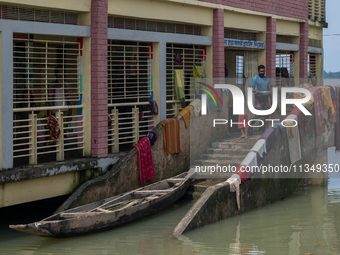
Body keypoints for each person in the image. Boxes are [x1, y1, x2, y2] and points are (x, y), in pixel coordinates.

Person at [250, 65, 271, 130]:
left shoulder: (267, 78)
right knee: (258, 115)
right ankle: (249, 126)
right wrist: (255, 90)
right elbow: (251, 88)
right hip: (258, 98)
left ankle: (266, 130)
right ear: (258, 71)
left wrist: (271, 98)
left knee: (267, 115)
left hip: (266, 98)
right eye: (261, 71)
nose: (262, 72)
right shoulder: (255, 79)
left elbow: (268, 88)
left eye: (263, 71)